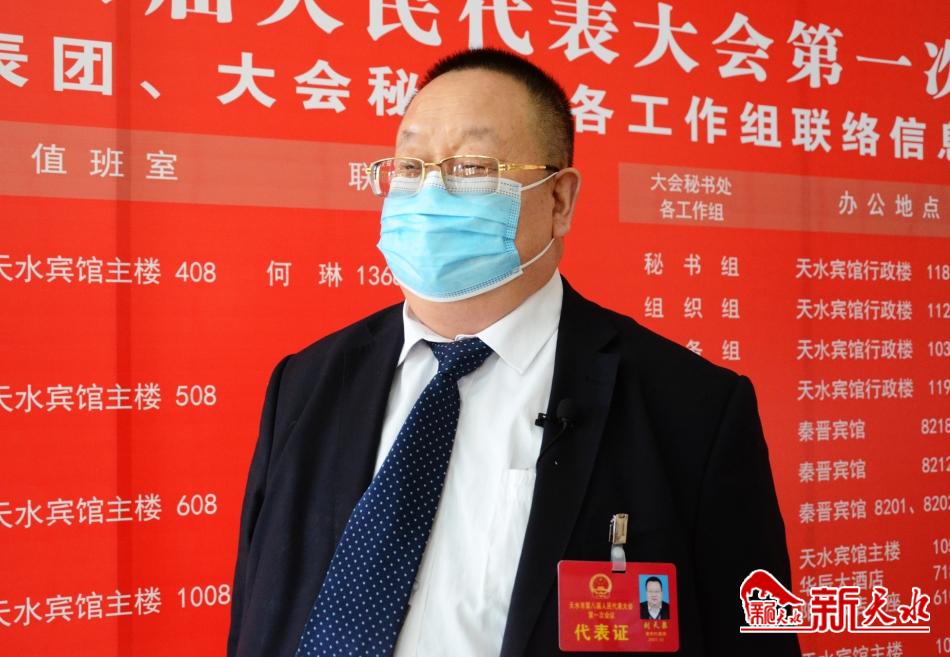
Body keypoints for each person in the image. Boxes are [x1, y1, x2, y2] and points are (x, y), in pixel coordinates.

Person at [227, 48, 801, 657]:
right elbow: (255, 617)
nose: (430, 192)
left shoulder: (693, 411)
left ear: (559, 200)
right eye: (410, 166)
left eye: (472, 167)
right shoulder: (306, 382)